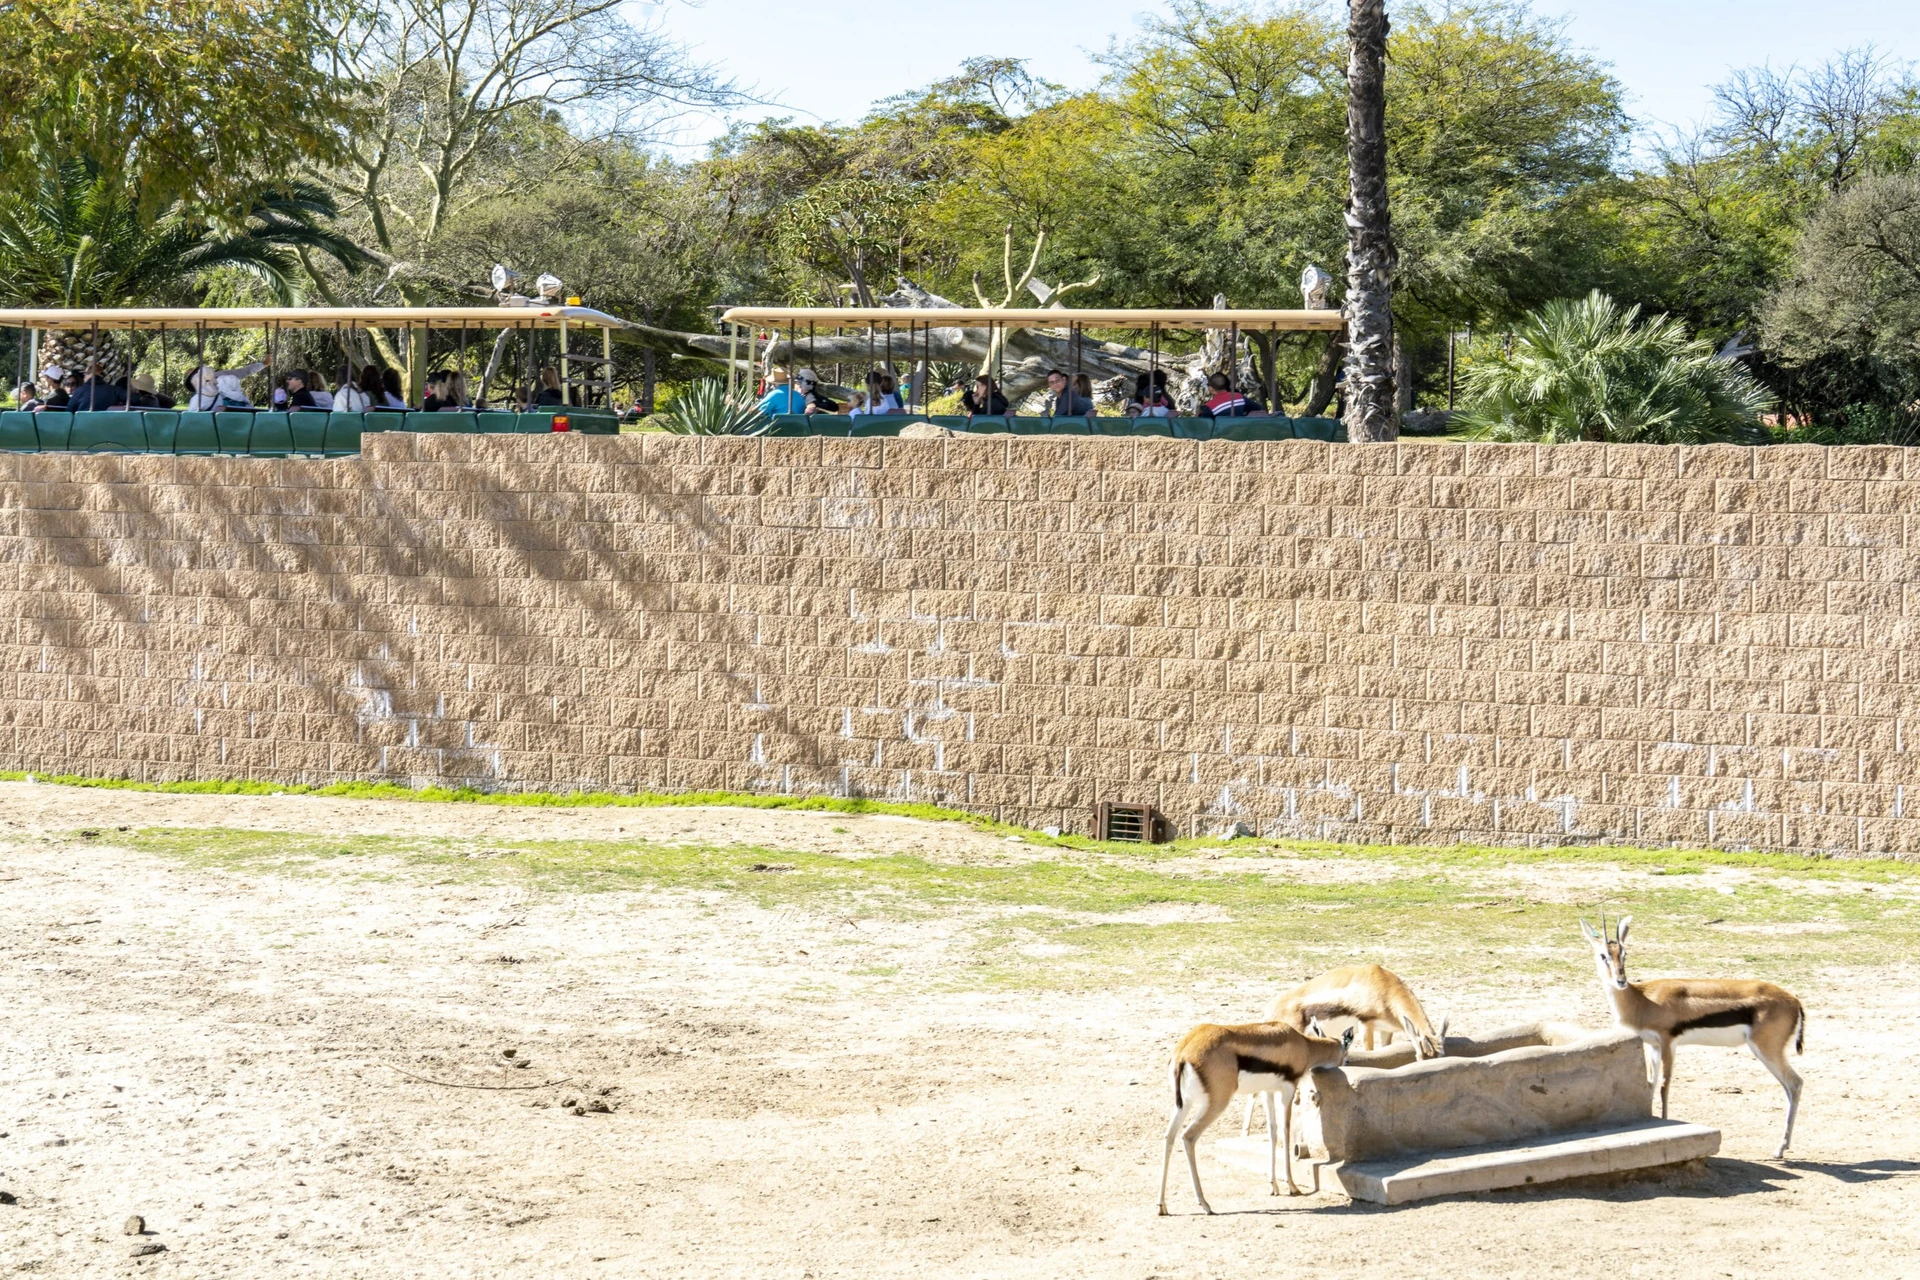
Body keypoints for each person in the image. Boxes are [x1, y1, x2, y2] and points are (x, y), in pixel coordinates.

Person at [186, 361, 266, 412]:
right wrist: (263, 364)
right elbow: (244, 372)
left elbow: (243, 372)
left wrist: (263, 364)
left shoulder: (197, 399)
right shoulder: (199, 397)